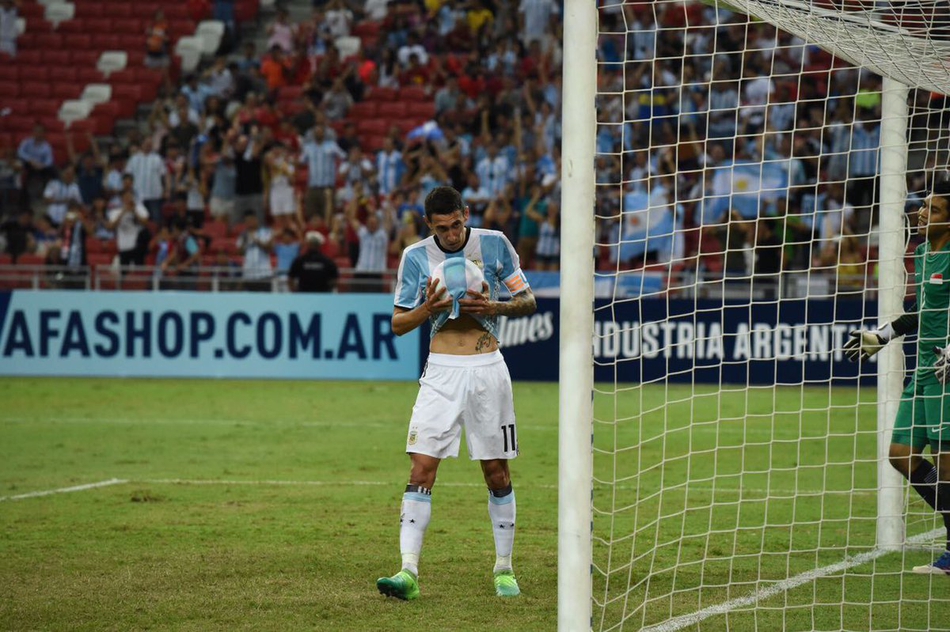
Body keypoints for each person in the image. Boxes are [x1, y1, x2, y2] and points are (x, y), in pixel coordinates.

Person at [376, 186, 537, 600]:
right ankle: (407, 572)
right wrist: (427, 310)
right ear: (429, 225)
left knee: (496, 471)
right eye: (442, 228)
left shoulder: (495, 244)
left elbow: (528, 300)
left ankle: (504, 568)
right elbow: (397, 324)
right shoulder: (415, 257)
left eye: (457, 224)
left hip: (487, 369)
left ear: (467, 214)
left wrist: (496, 308)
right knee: (421, 469)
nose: (451, 234)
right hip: (441, 373)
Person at [844, 179, 950, 574]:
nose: (921, 213)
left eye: (933, 209)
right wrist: (883, 334)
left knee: (946, 462)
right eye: (923, 205)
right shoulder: (923, 253)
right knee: (901, 456)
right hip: (923, 370)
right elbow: (924, 310)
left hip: (947, 374)